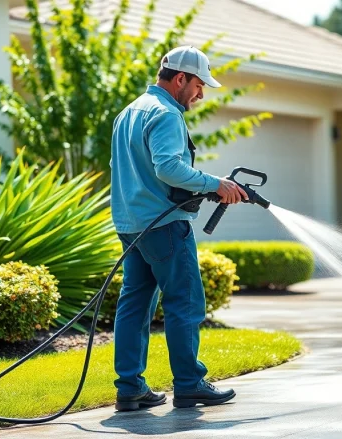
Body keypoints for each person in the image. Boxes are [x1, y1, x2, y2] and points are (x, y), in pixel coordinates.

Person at [109, 45, 247, 412]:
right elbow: (168, 168)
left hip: (131, 225)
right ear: (181, 78)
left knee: (134, 305)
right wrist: (215, 183)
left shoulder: (129, 112)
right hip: (165, 224)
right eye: (199, 85)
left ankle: (130, 388)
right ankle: (189, 384)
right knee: (184, 303)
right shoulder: (167, 113)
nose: (201, 94)